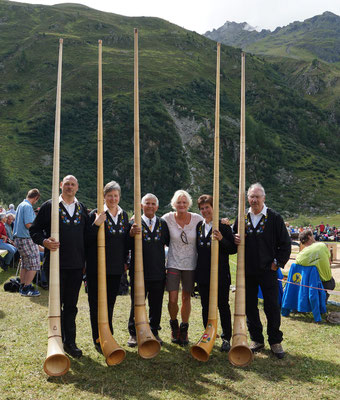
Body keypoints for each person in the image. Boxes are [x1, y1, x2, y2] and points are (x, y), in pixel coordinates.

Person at [30, 175, 90, 358]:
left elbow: (87, 237)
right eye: (67, 184)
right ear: (60, 185)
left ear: (77, 187)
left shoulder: (82, 209)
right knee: (56, 305)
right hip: (55, 264)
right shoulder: (49, 206)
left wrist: (86, 263)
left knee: (71, 305)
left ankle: (70, 342)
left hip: (76, 265)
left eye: (73, 184)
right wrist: (44, 242)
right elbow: (34, 229)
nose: (69, 187)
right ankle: (55, 340)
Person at [233, 183, 291, 359]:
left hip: (268, 271)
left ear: (264, 198)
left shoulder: (274, 218)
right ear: (248, 198)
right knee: (250, 306)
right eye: (251, 196)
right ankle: (256, 339)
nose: (254, 199)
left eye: (257, 196)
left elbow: (285, 244)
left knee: (272, 306)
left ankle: (275, 341)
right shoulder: (242, 217)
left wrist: (277, 263)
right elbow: (233, 240)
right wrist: (233, 238)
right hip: (248, 271)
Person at [86, 181, 130, 353]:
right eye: (109, 195)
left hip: (115, 267)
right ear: (104, 196)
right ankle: (98, 338)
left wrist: (132, 235)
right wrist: (96, 224)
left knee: (110, 303)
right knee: (96, 303)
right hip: (96, 267)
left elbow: (125, 243)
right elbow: (86, 240)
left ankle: (108, 334)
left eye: (115, 195)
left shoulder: (124, 215)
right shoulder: (95, 214)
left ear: (119, 197)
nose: (113, 198)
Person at [195, 195, 237, 352]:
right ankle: (208, 334)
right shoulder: (199, 226)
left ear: (214, 208)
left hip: (221, 274)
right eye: (202, 208)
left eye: (208, 207)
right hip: (203, 274)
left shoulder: (223, 226)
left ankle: (226, 338)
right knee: (205, 305)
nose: (205, 211)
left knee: (222, 305)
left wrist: (221, 239)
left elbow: (233, 249)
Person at [127, 193, 170, 347]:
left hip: (157, 271)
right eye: (147, 203)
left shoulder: (162, 223)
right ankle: (133, 333)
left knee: (156, 304)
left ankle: (154, 331)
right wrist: (131, 234)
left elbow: (169, 243)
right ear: (141, 205)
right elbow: (126, 244)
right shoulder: (133, 223)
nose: (150, 206)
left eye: (153, 204)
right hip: (138, 272)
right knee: (136, 302)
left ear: (157, 207)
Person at [162, 190, 203, 346]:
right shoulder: (167, 218)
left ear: (189, 204)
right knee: (172, 298)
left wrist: (224, 221)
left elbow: (210, 221)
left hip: (191, 264)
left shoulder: (197, 219)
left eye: (184, 202)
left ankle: (184, 329)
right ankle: (174, 325)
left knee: (186, 297)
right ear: (174, 204)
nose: (182, 205)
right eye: (179, 202)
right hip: (173, 262)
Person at [13, 189, 41, 296]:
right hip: (26, 238)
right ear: (36, 198)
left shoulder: (21, 205)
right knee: (34, 263)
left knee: (25, 264)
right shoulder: (28, 206)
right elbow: (29, 224)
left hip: (19, 239)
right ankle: (27, 288)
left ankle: (22, 284)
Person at [296, 229, 335, 303]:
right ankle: (322, 301)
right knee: (331, 284)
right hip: (327, 284)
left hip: (310, 286)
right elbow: (329, 262)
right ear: (309, 237)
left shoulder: (300, 256)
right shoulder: (322, 246)